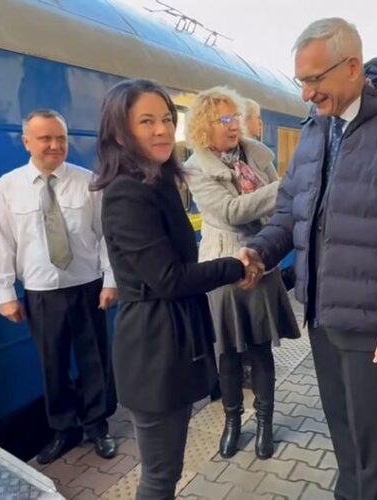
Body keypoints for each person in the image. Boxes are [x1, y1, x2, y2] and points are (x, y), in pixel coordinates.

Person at [241, 18, 377, 499]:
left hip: (372, 322)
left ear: (353, 67)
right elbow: (289, 212)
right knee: (342, 427)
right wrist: (259, 252)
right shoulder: (316, 130)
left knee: (369, 438)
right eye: (301, 81)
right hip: (320, 312)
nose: (306, 94)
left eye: (314, 80)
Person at [92, 79, 257, 499]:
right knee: (160, 476)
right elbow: (166, 278)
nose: (162, 129)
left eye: (167, 118)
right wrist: (232, 265)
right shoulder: (127, 192)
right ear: (119, 131)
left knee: (167, 469)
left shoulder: (156, 181)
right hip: (153, 346)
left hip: (168, 339)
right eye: (146, 121)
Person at [0, 109, 117, 464]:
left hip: (88, 287)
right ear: (27, 142)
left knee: (95, 361)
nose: (54, 145)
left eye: (60, 138)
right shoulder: (8, 187)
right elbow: (0, 242)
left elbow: (106, 236)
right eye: (45, 138)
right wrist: (5, 295)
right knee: (52, 364)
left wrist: (110, 281)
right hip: (41, 293)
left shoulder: (88, 182)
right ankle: (65, 430)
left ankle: (97, 427)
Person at [183, 87, 301, 460]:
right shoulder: (194, 168)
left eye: (236, 117)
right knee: (228, 354)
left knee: (260, 349)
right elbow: (230, 211)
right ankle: (232, 422)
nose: (234, 126)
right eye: (224, 120)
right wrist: (285, 186)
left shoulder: (257, 156)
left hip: (261, 261)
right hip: (222, 268)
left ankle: (265, 422)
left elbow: (282, 211)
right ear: (204, 125)